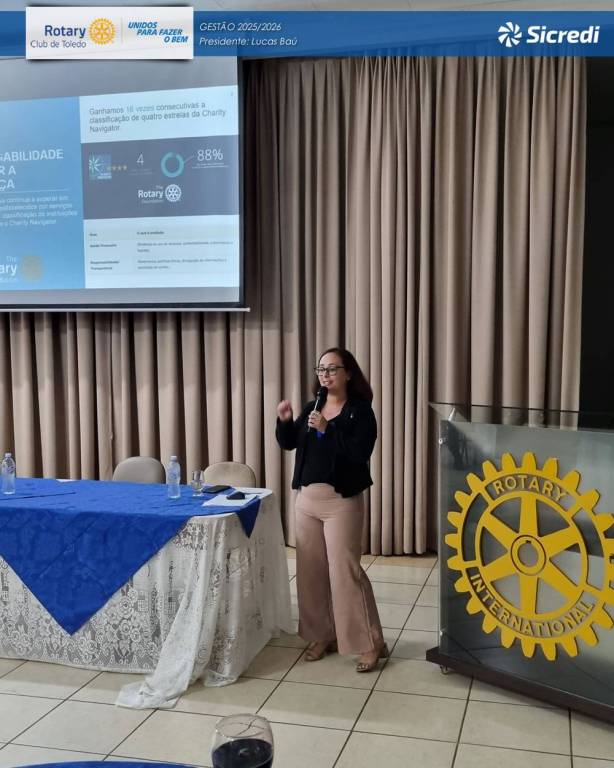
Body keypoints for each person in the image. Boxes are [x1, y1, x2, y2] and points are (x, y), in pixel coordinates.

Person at [276, 347, 387, 672]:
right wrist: (285, 421)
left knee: (344, 572)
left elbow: (358, 453)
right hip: (307, 500)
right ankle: (321, 634)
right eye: (321, 369)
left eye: (332, 369)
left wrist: (329, 428)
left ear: (348, 373)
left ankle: (370, 642)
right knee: (310, 573)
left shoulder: (360, 412)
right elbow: (290, 442)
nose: (324, 375)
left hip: (341, 502)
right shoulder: (313, 406)